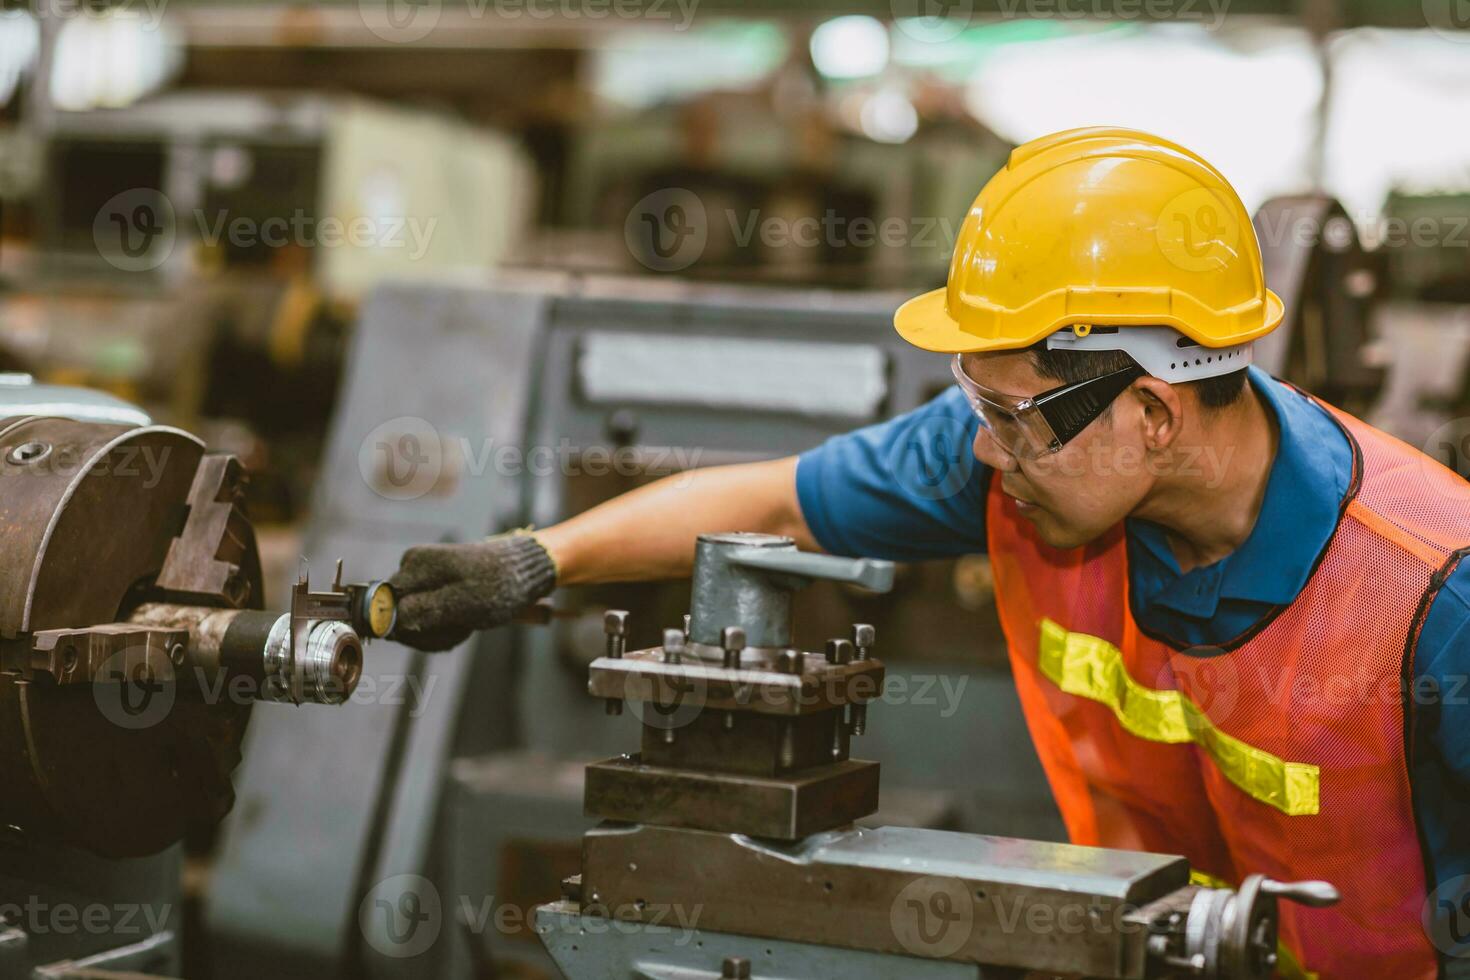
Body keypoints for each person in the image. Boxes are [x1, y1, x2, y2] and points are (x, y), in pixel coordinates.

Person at [387, 128, 1470, 978]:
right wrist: (534, 560)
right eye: (978, 409)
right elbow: (777, 500)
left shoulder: (1435, 597)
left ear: (1151, 411)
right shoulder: (1018, 451)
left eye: (1009, 417)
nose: (985, 456)